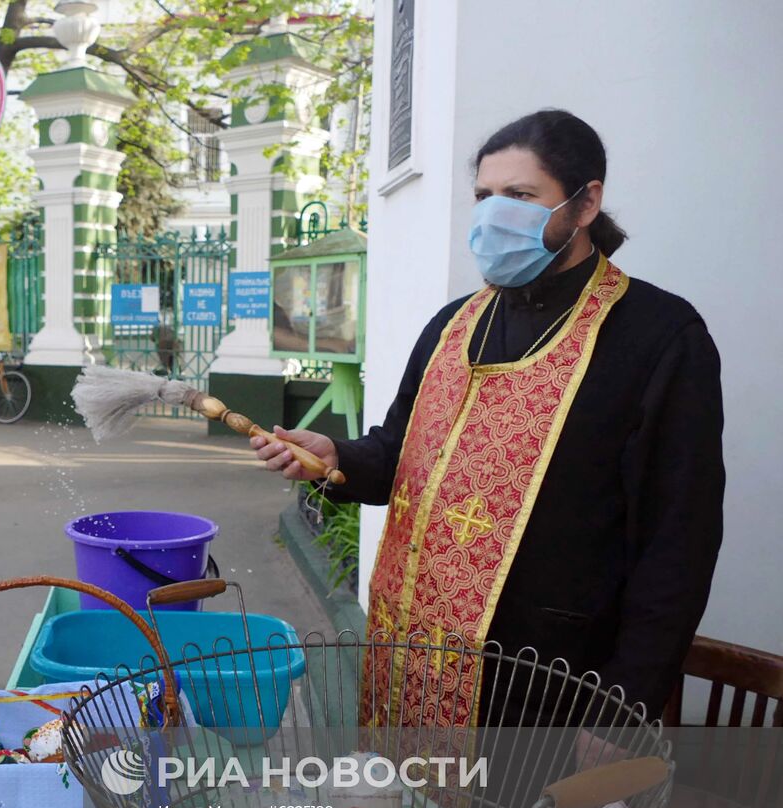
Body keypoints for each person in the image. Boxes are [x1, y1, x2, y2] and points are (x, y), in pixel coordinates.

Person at [253, 109, 725, 727]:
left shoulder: (660, 338)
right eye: (483, 196)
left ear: (586, 205)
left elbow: (678, 544)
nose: (493, 214)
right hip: (413, 655)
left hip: (550, 678)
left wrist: (624, 703)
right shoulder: (453, 324)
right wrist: (338, 458)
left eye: (521, 196)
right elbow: (401, 453)